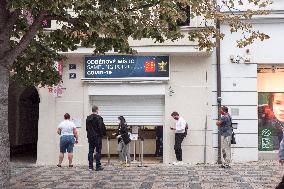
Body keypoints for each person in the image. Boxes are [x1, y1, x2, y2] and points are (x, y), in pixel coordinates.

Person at [86, 105, 106, 171]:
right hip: (97, 137)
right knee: (98, 151)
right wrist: (102, 135)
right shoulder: (99, 118)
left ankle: (90, 166)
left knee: (90, 152)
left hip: (90, 137)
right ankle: (98, 166)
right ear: (97, 110)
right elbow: (101, 128)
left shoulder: (88, 118)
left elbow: (87, 128)